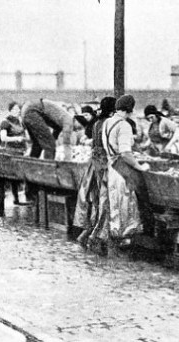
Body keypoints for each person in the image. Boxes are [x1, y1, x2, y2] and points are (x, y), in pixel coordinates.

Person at [99, 94, 153, 254]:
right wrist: (139, 166)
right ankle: (140, 235)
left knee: (116, 204)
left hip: (111, 167)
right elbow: (125, 153)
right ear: (129, 109)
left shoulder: (107, 123)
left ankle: (115, 239)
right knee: (132, 201)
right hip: (122, 170)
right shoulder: (124, 125)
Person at [74, 96, 116, 249]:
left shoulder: (97, 123)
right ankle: (97, 235)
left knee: (96, 201)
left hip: (94, 165)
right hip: (105, 165)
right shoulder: (108, 124)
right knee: (106, 201)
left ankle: (89, 232)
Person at [0, 101, 30, 205]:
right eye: (15, 109)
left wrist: (26, 139)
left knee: (23, 174)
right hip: (11, 151)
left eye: (18, 109)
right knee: (14, 175)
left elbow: (27, 135)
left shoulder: (21, 122)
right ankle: (16, 198)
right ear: (10, 110)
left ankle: (25, 196)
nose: (17, 111)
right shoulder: (5, 122)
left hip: (22, 151)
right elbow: (3, 138)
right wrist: (16, 138)